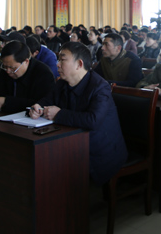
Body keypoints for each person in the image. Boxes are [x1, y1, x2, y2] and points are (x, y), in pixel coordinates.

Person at [30, 42, 127, 185]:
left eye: (62, 60)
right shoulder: (62, 83)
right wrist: (38, 107)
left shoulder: (100, 87)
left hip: (99, 151)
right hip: (72, 144)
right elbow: (47, 100)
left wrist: (58, 114)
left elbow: (92, 120)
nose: (57, 64)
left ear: (79, 64)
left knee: (53, 170)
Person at [0, 41, 55, 112]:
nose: (8, 71)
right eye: (5, 66)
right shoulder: (5, 69)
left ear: (26, 62)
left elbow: (40, 103)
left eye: (12, 68)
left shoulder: (43, 73)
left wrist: (5, 101)